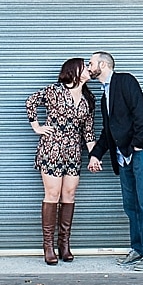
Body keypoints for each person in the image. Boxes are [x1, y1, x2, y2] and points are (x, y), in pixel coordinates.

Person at [87, 51, 143, 269]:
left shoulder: (125, 81)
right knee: (131, 205)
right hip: (124, 156)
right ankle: (138, 249)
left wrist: (137, 144)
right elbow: (108, 131)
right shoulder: (104, 95)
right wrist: (95, 154)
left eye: (91, 63)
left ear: (103, 64)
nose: (88, 66)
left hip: (141, 152)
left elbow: (141, 113)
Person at [26, 57, 97, 265]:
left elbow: (88, 132)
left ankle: (64, 245)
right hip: (52, 149)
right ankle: (48, 246)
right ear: (74, 71)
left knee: (69, 194)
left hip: (74, 151)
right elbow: (31, 102)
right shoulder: (54, 91)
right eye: (85, 68)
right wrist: (37, 127)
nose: (88, 71)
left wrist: (94, 155)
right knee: (53, 193)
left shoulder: (88, 98)